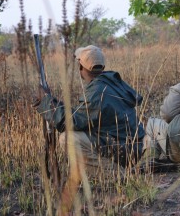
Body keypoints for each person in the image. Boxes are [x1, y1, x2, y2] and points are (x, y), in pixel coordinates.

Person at [33, 45, 145, 178]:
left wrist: (45, 103)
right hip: (132, 147)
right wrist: (52, 102)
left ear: (80, 67)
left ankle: (117, 174)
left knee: (68, 138)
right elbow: (81, 116)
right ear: (102, 67)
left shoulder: (97, 91)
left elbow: (68, 122)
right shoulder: (112, 82)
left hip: (124, 150)